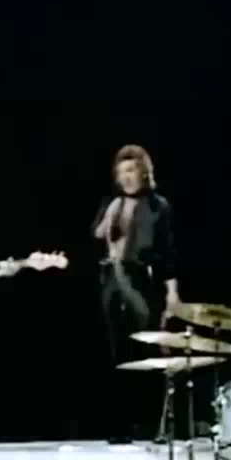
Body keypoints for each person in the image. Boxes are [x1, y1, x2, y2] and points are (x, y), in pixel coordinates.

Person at [91, 144, 182, 441]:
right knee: (116, 353)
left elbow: (167, 253)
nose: (126, 177)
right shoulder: (111, 203)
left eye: (131, 170)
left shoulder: (158, 206)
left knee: (146, 349)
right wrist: (111, 215)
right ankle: (119, 426)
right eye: (121, 172)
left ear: (143, 172)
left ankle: (152, 424)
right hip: (111, 280)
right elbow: (96, 235)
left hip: (142, 280)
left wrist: (172, 295)